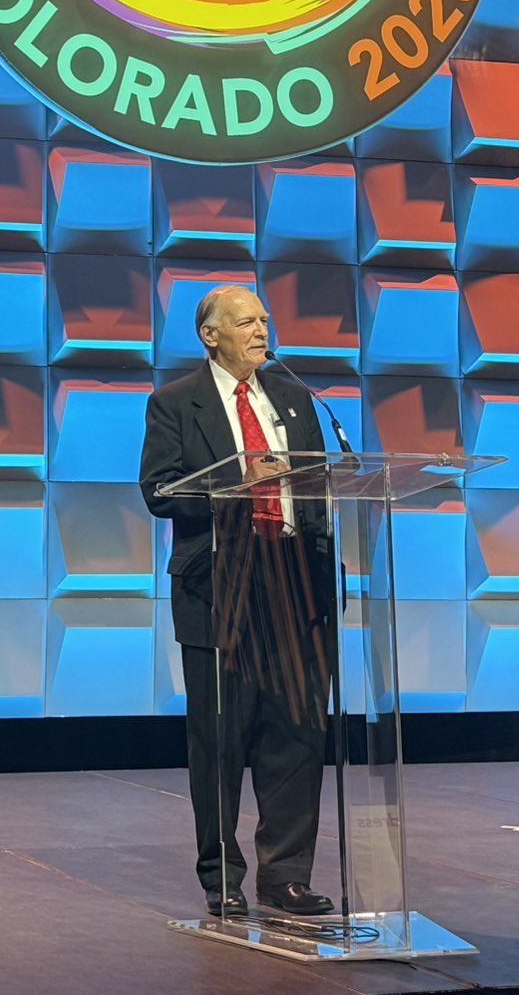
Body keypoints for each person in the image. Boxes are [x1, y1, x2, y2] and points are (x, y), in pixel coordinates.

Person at [138, 284, 336, 921]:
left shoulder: (296, 398)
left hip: (294, 579)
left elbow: (320, 483)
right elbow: (161, 490)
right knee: (220, 739)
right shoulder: (175, 404)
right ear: (210, 335)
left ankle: (287, 877)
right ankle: (221, 878)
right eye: (246, 321)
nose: (261, 329)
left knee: (298, 733)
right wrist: (236, 484)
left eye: (264, 319)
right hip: (219, 582)